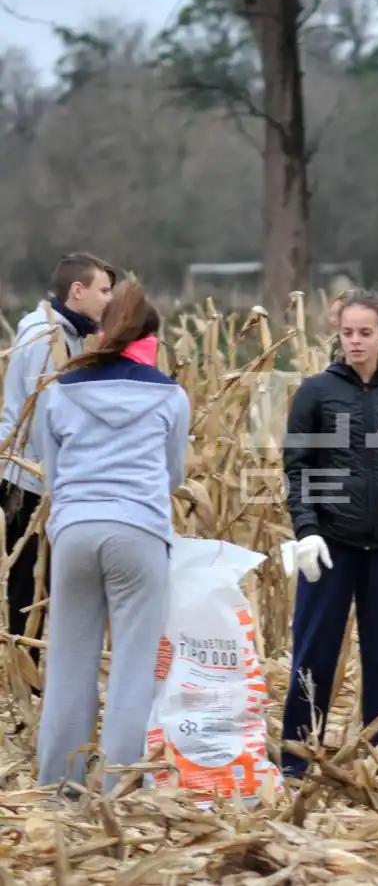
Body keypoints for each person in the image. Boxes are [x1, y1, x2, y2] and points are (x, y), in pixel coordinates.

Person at [32, 278, 189, 792]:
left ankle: (58, 785)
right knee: (133, 665)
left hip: (75, 532)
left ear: (102, 329)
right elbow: (173, 477)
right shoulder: (171, 396)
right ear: (149, 335)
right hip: (138, 532)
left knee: (69, 663)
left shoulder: (59, 392)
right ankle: (119, 790)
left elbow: (53, 478)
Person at [280, 289, 378, 787]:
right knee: (314, 653)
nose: (356, 341)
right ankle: (297, 761)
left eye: (366, 332)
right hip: (331, 545)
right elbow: (297, 470)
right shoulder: (316, 392)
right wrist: (307, 532)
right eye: (348, 332)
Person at [1, 252, 116, 682]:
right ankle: (22, 682)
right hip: (30, 479)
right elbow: (50, 419)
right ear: (77, 291)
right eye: (103, 291)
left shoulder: (61, 333)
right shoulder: (47, 337)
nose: (109, 300)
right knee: (27, 589)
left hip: (36, 474)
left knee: (37, 586)